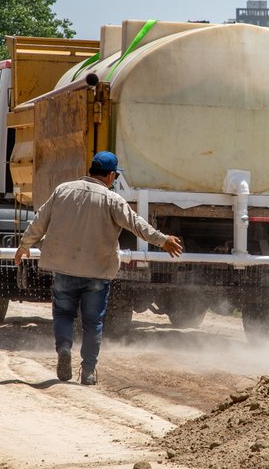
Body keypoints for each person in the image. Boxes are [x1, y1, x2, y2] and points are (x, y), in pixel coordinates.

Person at [14, 151, 183, 385]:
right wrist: (163, 240)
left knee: (63, 314)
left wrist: (24, 245)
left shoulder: (63, 191)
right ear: (111, 175)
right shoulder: (112, 200)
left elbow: (40, 221)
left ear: (92, 170)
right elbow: (137, 225)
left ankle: (64, 349)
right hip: (97, 272)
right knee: (93, 322)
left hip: (64, 268)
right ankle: (88, 371)